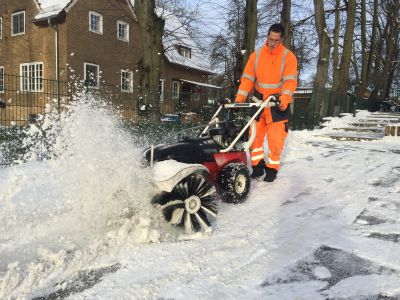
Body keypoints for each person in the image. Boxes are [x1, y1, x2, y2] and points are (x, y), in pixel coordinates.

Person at [235, 23, 298, 182]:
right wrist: (239, 100)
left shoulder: (288, 57)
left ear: (282, 39)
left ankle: (272, 168)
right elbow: (247, 79)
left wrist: (285, 97)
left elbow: (290, 81)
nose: (272, 43)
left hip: (277, 105)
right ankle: (257, 166)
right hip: (258, 104)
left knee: (276, 140)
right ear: (267, 37)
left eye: (276, 40)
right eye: (270, 39)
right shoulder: (256, 55)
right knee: (253, 138)